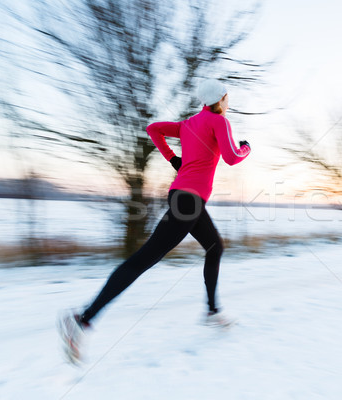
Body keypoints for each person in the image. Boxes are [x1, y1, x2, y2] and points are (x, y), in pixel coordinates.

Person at [58, 79, 251, 363]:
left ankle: (211, 312)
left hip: (184, 197)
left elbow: (154, 129)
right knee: (144, 259)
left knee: (214, 247)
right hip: (189, 201)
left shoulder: (189, 124)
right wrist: (246, 147)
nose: (228, 101)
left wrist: (174, 159)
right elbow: (232, 157)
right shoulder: (218, 121)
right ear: (220, 99)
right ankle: (83, 319)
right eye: (226, 97)